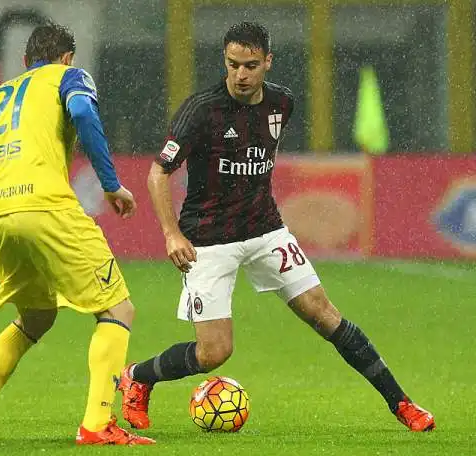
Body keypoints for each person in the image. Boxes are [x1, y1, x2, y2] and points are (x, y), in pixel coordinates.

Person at [119, 21, 435, 433]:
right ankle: (138, 377)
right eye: (233, 64)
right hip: (208, 240)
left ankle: (403, 405)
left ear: (268, 61)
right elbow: (158, 174)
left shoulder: (282, 104)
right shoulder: (201, 111)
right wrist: (171, 234)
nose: (240, 74)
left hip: (266, 230)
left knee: (326, 315)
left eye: (250, 64)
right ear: (225, 62)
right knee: (214, 353)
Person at [0, 22, 154, 446]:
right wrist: (110, 184)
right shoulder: (69, 77)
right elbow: (85, 113)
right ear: (67, 57)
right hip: (46, 207)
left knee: (36, 316)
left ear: (24, 62)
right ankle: (96, 425)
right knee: (118, 310)